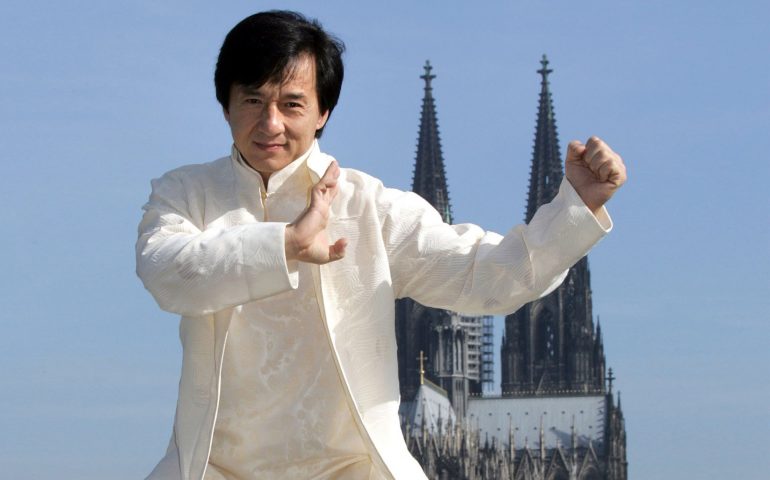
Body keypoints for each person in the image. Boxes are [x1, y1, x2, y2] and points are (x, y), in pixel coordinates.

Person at [136, 10, 627, 480]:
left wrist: (576, 207)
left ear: (323, 112)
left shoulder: (371, 208)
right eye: (252, 100)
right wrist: (286, 244)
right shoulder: (186, 195)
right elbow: (165, 271)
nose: (271, 123)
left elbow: (493, 275)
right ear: (225, 105)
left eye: (291, 104)